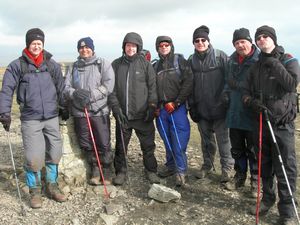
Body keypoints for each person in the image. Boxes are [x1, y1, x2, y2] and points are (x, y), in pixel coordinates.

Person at [0, 28, 67, 208]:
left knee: (55, 152)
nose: (36, 46)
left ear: (43, 44)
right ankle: (34, 190)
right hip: (31, 118)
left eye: (39, 43)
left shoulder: (51, 64)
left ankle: (52, 185)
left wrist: (65, 107)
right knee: (33, 156)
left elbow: (61, 88)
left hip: (51, 116)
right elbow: (7, 89)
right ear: (28, 44)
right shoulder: (17, 65)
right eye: (33, 43)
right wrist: (4, 112)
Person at [243, 25, 300, 225]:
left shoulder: (289, 60)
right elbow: (245, 92)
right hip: (261, 122)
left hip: (282, 123)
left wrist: (272, 62)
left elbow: (291, 84)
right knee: (264, 165)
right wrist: (252, 102)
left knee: (286, 166)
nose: (261, 40)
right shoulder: (254, 67)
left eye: (265, 37)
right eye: (258, 38)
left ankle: (287, 210)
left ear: (273, 39)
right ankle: (267, 199)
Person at [108, 32, 160, 185]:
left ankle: (151, 170)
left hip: (143, 115)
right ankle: (121, 172)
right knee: (121, 146)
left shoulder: (145, 65)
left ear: (139, 47)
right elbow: (111, 90)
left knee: (148, 145)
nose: (130, 48)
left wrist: (152, 106)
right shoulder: (116, 64)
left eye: (134, 46)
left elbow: (152, 87)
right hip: (123, 115)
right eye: (128, 45)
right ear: (124, 47)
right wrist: (116, 108)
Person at [64, 37, 115, 185]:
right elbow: (66, 87)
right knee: (86, 142)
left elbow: (108, 85)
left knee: (103, 142)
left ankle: (106, 170)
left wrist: (91, 95)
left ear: (92, 49)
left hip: (99, 111)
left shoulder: (102, 63)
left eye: (87, 47)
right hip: (80, 112)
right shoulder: (73, 67)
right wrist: (75, 93)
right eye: (81, 48)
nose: (84, 50)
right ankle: (94, 169)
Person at [188, 25, 234, 187]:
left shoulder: (220, 56)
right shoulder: (191, 60)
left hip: (220, 108)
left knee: (224, 141)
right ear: (193, 43)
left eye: (203, 40)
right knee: (206, 141)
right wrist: (191, 106)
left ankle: (227, 169)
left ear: (208, 41)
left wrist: (226, 99)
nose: (200, 43)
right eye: (196, 41)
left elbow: (230, 79)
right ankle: (207, 165)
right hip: (201, 109)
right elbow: (189, 85)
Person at [153, 36, 192, 186]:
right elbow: (152, 88)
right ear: (157, 48)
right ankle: (171, 166)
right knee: (167, 139)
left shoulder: (180, 62)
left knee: (178, 139)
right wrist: (155, 106)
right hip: (162, 110)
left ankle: (181, 172)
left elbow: (188, 83)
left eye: (166, 45)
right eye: (161, 45)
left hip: (177, 108)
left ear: (171, 46)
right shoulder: (155, 66)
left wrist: (176, 102)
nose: (163, 47)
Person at [225, 28, 259, 196]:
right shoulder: (231, 61)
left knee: (254, 149)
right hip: (234, 112)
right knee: (237, 148)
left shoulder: (259, 60)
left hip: (252, 113)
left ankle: (255, 181)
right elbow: (226, 82)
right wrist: (225, 94)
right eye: (237, 43)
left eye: (243, 41)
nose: (240, 45)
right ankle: (239, 176)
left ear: (250, 42)